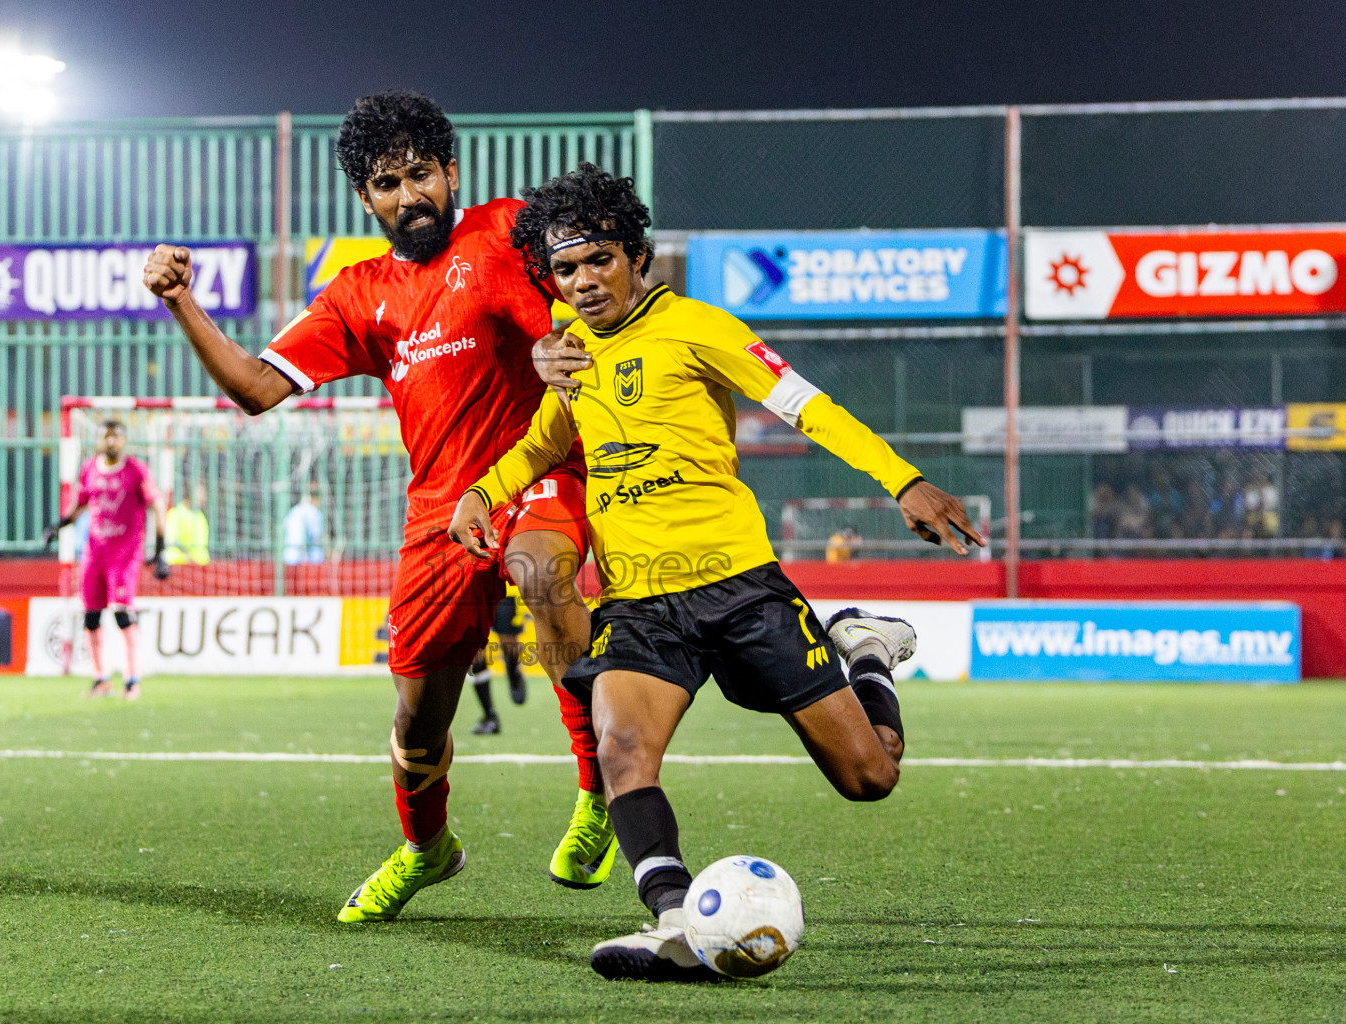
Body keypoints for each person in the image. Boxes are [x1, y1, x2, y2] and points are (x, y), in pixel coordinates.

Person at [448, 165, 982, 981]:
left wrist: (901, 479)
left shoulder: (700, 327)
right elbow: (546, 443)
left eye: (599, 260)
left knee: (870, 777)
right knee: (622, 747)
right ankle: (671, 921)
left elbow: (809, 405)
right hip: (640, 602)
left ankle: (866, 650)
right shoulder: (570, 350)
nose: (584, 282)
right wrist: (483, 493)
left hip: (739, 586)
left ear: (635, 255)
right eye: (566, 270)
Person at [143, 91, 614, 920]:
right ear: (365, 199)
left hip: (538, 473)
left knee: (544, 571)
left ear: (451, 172)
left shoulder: (505, 232)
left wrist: (558, 335)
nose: (409, 196)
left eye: (422, 174)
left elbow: (584, 298)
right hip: (439, 515)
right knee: (416, 719)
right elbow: (255, 389)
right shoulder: (358, 295)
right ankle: (426, 849)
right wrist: (183, 301)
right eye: (387, 183)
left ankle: (600, 789)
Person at [44, 420, 168, 700]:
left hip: (125, 555)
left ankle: (132, 680)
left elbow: (158, 506)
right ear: (98, 440)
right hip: (94, 555)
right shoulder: (89, 468)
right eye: (105, 437)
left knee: (122, 613)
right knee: (91, 617)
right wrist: (57, 526)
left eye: (115, 437)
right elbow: (79, 505)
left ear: (123, 441)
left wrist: (160, 552)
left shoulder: (136, 470)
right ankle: (101, 679)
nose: (110, 442)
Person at [466, 587, 530, 735]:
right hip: (471, 587)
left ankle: (513, 669)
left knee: (508, 641)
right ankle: (490, 715)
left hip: (504, 586)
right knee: (474, 648)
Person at [165, 483, 211, 565]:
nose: (204, 498)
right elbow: (171, 544)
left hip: (202, 567)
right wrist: (187, 558)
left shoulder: (200, 516)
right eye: (201, 493)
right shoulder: (175, 514)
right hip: (182, 567)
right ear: (191, 493)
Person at [283, 484, 327, 564]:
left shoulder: (293, 511)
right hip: (309, 561)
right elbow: (316, 537)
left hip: (290, 558)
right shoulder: (314, 512)